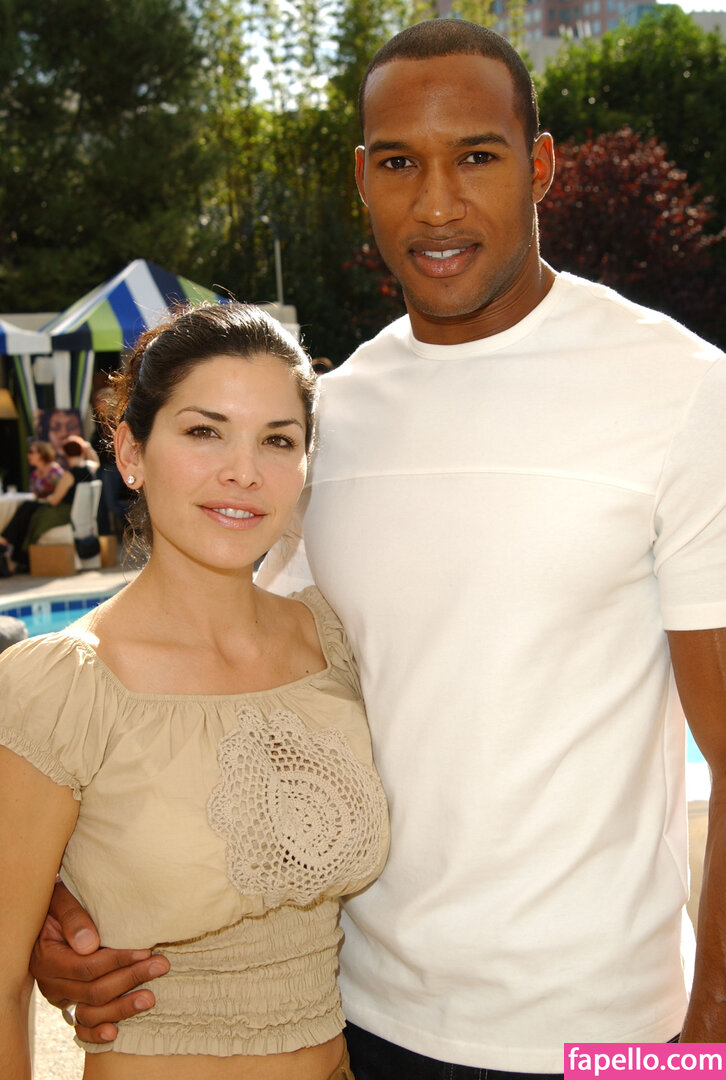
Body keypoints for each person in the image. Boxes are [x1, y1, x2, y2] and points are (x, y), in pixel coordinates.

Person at [30, 18, 726, 1079]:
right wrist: (53, 899)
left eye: (477, 157)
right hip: (356, 1015)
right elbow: (210, 663)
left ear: (540, 165)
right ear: (362, 178)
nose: (436, 204)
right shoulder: (332, 416)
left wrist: (711, 1029)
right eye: (399, 163)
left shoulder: (681, 394)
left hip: (610, 1035)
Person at [0, 303, 388, 1080]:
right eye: (205, 431)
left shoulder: (333, 642)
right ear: (131, 452)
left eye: (277, 440)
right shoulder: (64, 686)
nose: (244, 471)